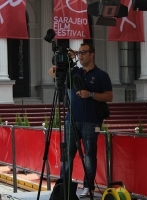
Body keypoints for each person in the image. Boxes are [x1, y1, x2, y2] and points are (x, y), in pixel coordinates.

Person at [48, 43, 113, 198]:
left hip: (92, 121)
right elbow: (53, 72)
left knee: (89, 154)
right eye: (79, 53)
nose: (81, 55)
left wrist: (90, 94)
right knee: (67, 154)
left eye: (84, 52)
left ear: (92, 54)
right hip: (72, 120)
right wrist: (64, 62)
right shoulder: (74, 71)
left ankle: (88, 186)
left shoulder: (101, 75)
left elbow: (109, 96)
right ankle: (64, 187)